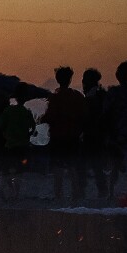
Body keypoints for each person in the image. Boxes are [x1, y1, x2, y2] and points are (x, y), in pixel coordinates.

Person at [41, 66, 84, 203]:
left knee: (58, 169)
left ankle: (58, 195)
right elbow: (84, 115)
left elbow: (49, 117)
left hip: (57, 137)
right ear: (70, 79)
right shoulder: (77, 96)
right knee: (72, 167)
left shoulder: (55, 98)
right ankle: (76, 194)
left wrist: (43, 119)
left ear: (57, 79)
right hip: (73, 137)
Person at [104, 58, 127, 196]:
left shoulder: (114, 92)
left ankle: (111, 192)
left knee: (114, 164)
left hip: (115, 130)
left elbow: (106, 109)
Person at [0, 85, 36, 200]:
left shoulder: (8, 111)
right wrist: (27, 135)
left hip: (9, 146)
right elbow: (33, 128)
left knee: (6, 170)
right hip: (22, 146)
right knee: (19, 171)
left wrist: (6, 133)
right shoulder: (26, 112)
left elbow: (0, 124)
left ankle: (7, 189)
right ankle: (16, 193)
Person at [80, 68, 108, 199]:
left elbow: (87, 117)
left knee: (84, 165)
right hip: (100, 135)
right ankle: (102, 192)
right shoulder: (101, 95)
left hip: (91, 135)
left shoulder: (91, 98)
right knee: (97, 167)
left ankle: (82, 192)